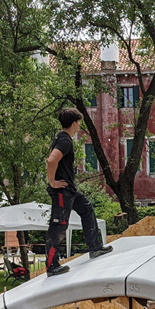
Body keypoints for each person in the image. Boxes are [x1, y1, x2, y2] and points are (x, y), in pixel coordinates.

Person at [44, 108, 112, 276]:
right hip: (62, 191)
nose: (79, 126)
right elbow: (52, 159)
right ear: (74, 123)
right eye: (79, 123)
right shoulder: (65, 141)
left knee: (87, 209)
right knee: (59, 226)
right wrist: (52, 182)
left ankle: (95, 247)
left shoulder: (62, 138)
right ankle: (51, 266)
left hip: (70, 190)